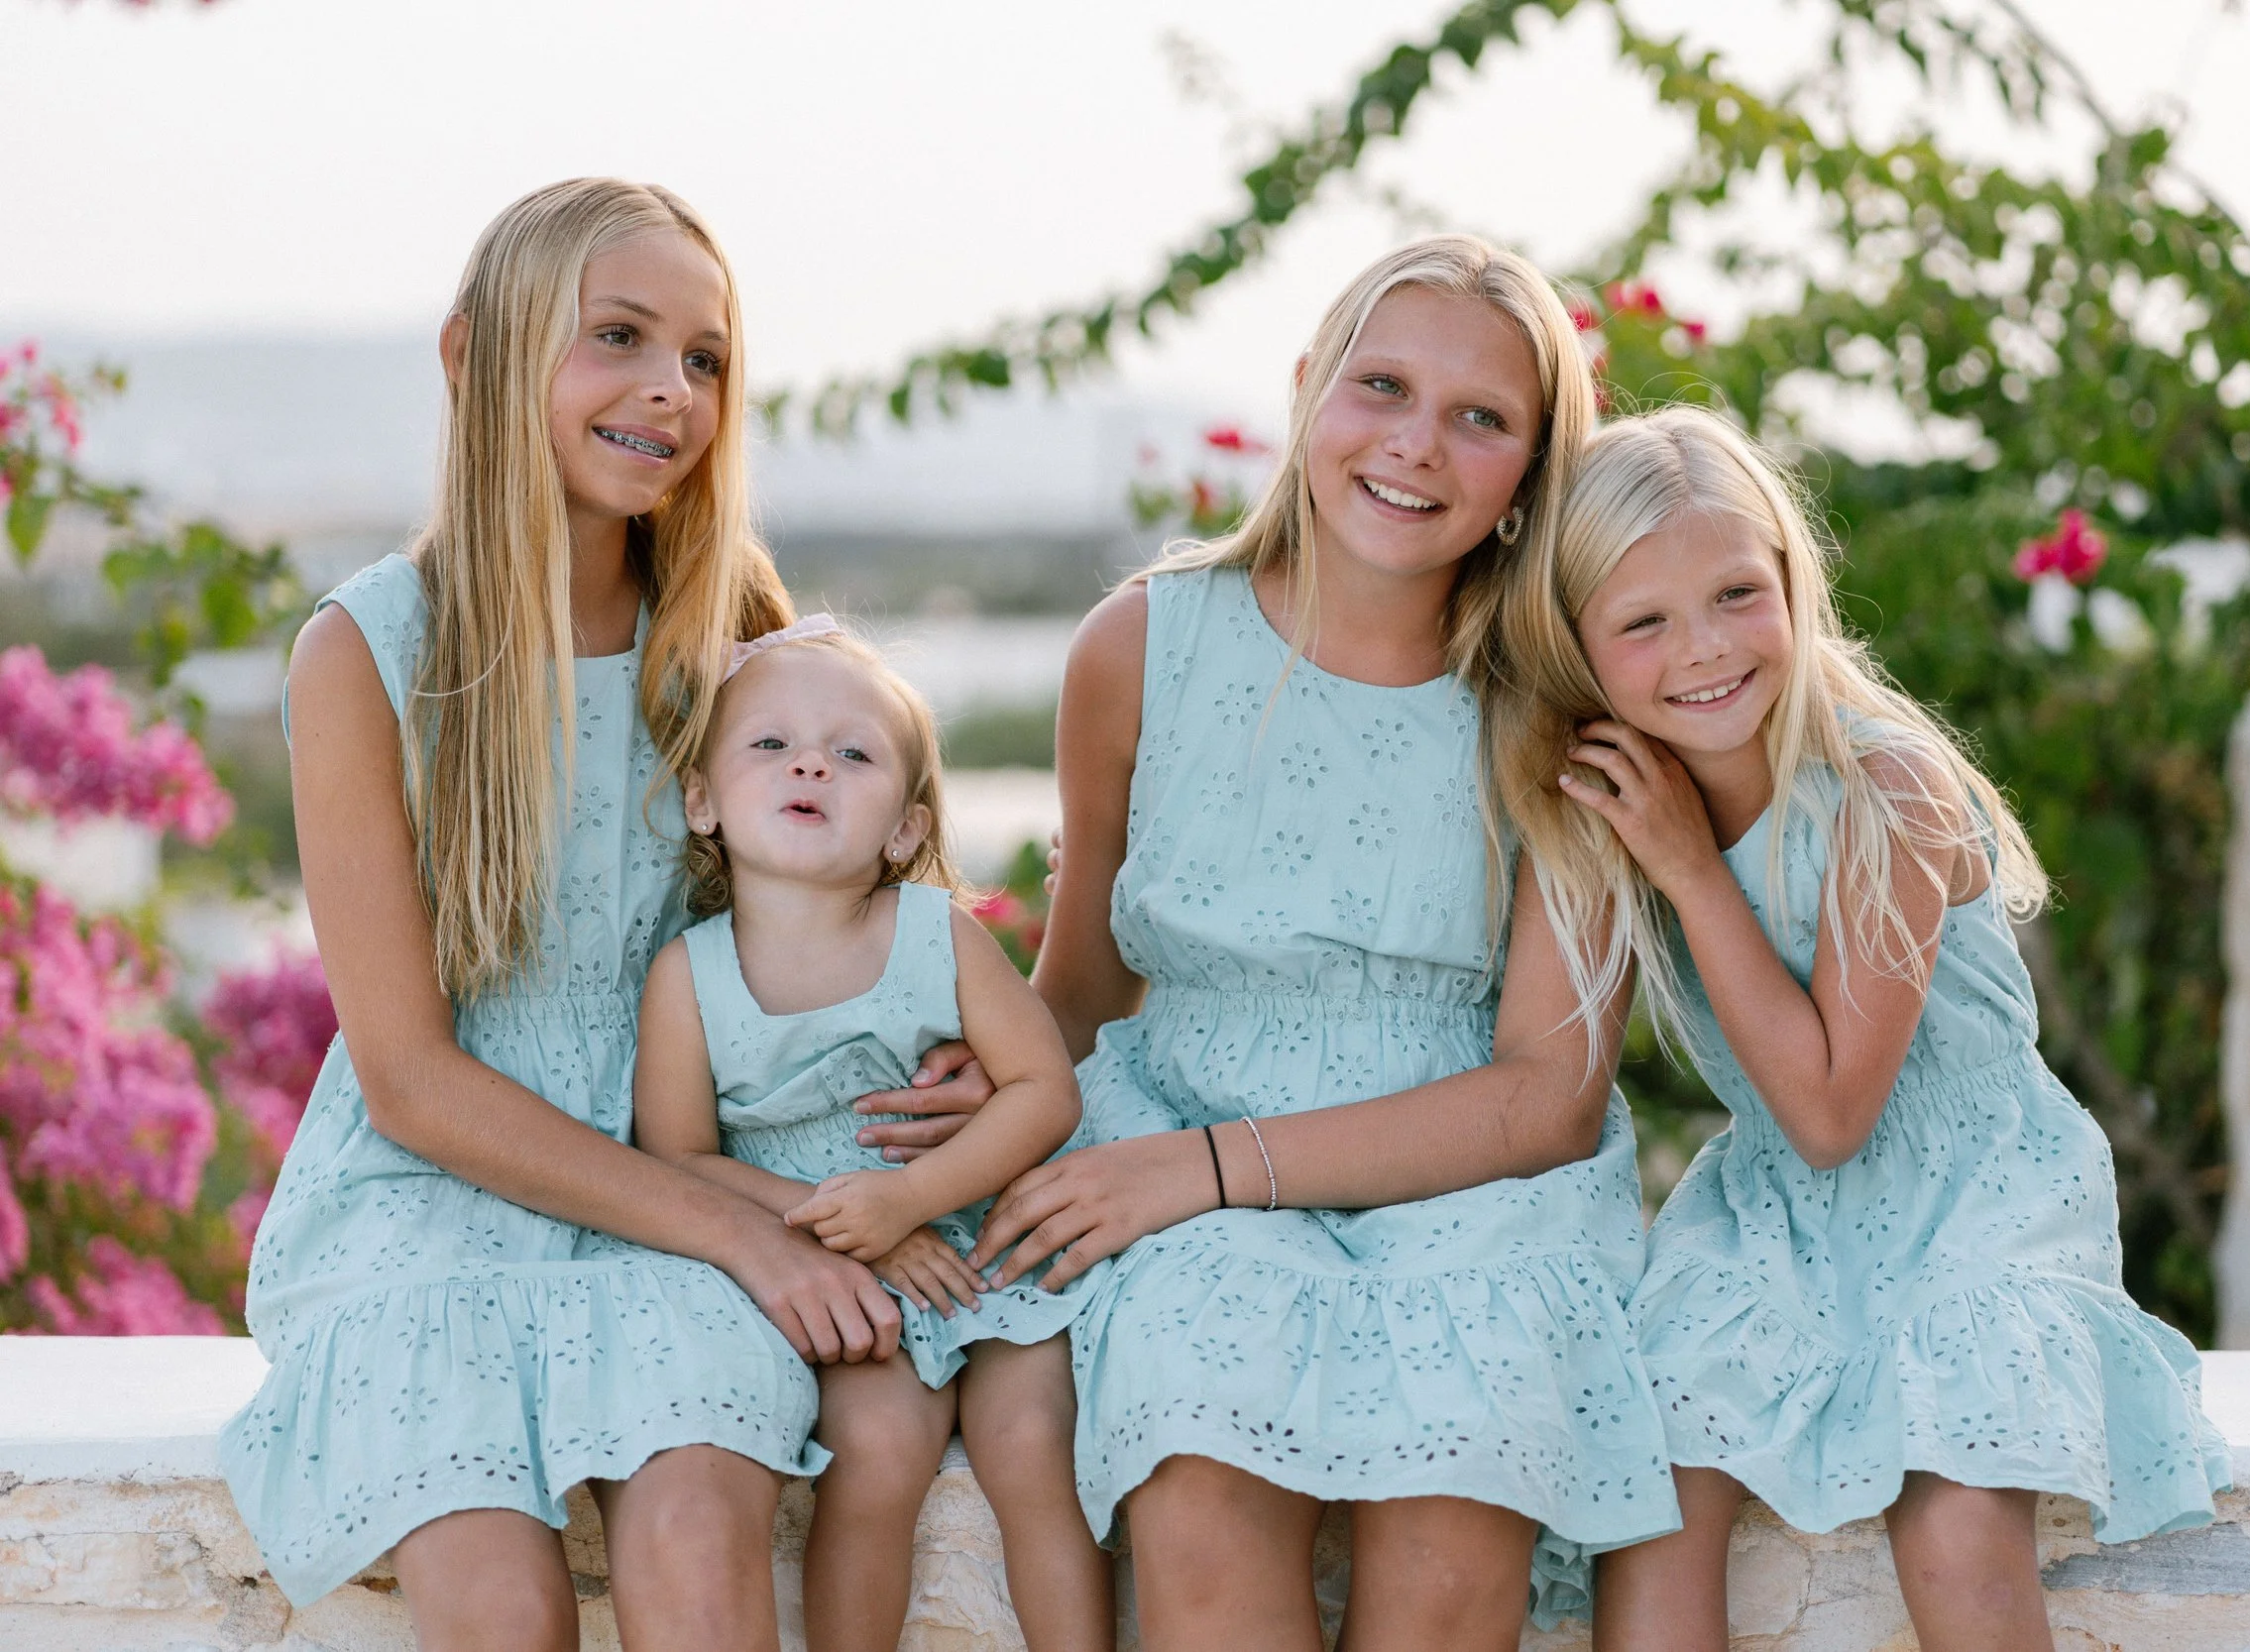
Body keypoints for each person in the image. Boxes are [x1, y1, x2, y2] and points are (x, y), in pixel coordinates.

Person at [218, 178, 990, 1646]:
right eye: (620, 337)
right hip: (429, 1206)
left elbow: (862, 899)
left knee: (703, 1534)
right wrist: (748, 1240)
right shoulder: (368, 648)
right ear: (476, 355)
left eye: (705, 358)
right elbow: (410, 1078)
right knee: (506, 1607)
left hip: (687, 1179)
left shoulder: (736, 626)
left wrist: (932, 1038)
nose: (670, 391)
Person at [966, 235, 1676, 1651]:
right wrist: (983, 1096)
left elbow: (1549, 1093)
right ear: (1306, 389)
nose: (1419, 444)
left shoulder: (1558, 703)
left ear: (1535, 469)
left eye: (1482, 418)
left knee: (1452, 1551)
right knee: (1203, 1516)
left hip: (1471, 1184)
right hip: (1183, 1149)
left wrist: (1216, 1167)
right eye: (1384, 385)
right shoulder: (1139, 646)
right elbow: (1090, 978)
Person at [1493, 405, 2230, 1652]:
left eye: (1736, 593)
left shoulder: (1886, 783)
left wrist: (1691, 870)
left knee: (1951, 1513)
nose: (1704, 649)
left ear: (1792, 579)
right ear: (1577, 647)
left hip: (1975, 1198)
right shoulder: (1615, 801)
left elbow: (1835, 1112)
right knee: (1650, 1497)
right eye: (1643, 622)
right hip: (1772, 1214)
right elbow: (1547, 1068)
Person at [633, 617, 1111, 1652]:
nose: (812, 761)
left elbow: (1042, 1089)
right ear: (702, 800)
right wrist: (854, 1226)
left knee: (1032, 1444)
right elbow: (678, 1157)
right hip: (833, 1267)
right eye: (770, 745)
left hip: (986, 1246)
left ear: (903, 826)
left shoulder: (936, 933)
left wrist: (912, 1196)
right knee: (879, 1449)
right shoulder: (690, 976)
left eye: (854, 753)